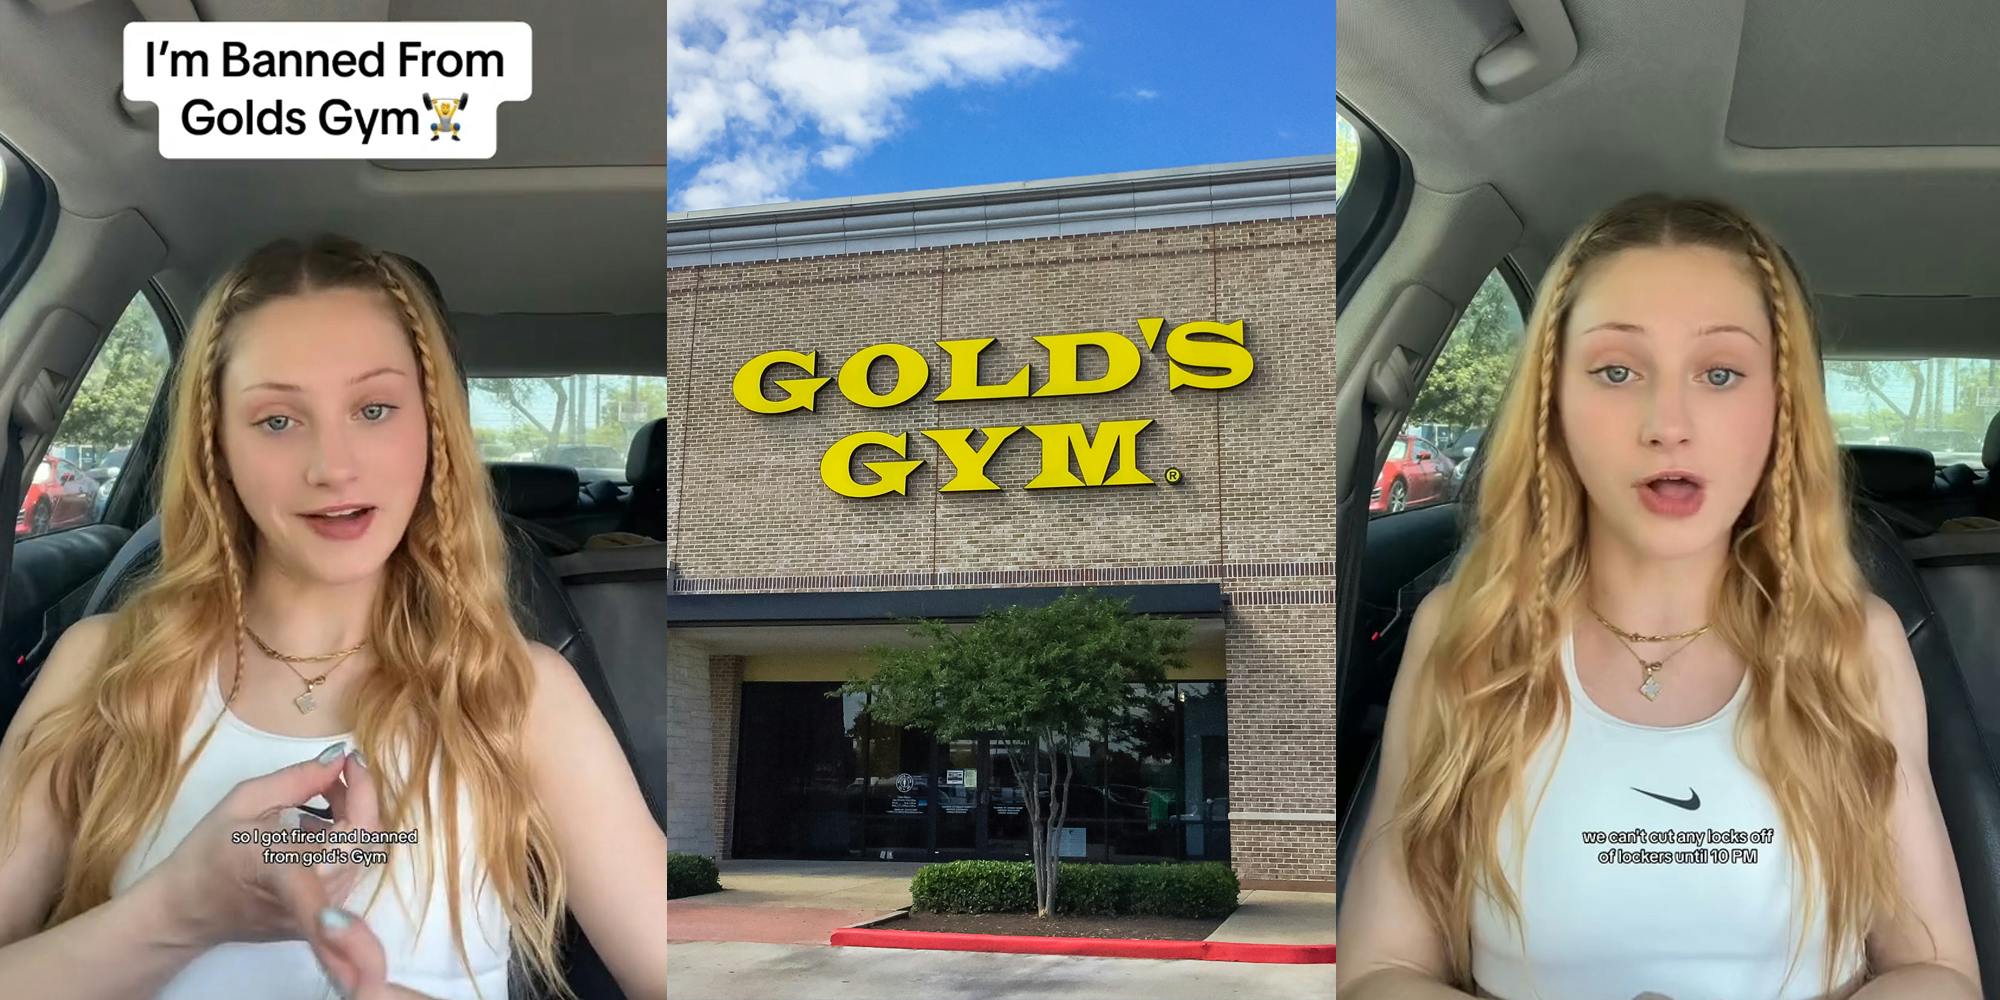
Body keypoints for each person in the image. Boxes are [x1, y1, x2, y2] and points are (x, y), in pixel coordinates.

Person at [1336, 196, 1980, 999]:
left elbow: (1937, 970)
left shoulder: (1854, 641)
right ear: (1554, 405)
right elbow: (1380, 970)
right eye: (1616, 370)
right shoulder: (1467, 634)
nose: (1667, 423)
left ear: (1780, 407)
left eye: (1719, 373)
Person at [0, 236, 668, 1000]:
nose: (333, 466)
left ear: (434, 432)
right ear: (216, 444)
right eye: (278, 421)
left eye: (374, 408)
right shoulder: (99, 668)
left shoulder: (520, 693)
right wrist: (179, 913)